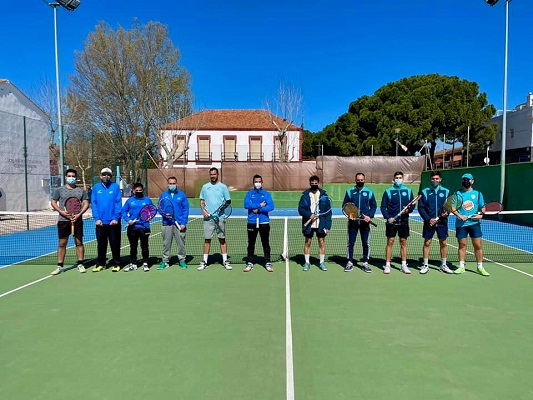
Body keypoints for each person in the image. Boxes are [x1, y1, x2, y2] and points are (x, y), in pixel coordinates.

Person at [50, 168, 90, 275]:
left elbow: (86, 203)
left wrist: (79, 214)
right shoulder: (59, 190)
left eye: (73, 176)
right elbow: (53, 202)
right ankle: (60, 266)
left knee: (79, 242)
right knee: (62, 243)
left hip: (77, 220)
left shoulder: (81, 191)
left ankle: (80, 264)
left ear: (76, 178)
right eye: (69, 176)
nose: (71, 178)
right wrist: (61, 211)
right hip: (63, 221)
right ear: (66, 177)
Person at [451, 173, 489, 277]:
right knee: (462, 245)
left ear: (472, 181)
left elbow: (483, 208)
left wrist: (481, 215)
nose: (466, 181)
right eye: (464, 180)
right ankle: (461, 266)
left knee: (478, 245)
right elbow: (453, 208)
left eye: (468, 180)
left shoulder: (478, 194)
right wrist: (460, 215)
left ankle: (480, 267)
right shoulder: (457, 194)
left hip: (474, 224)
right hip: (461, 224)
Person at [418, 171, 453, 274]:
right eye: (433, 179)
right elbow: (421, 208)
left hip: (442, 222)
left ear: (440, 179)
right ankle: (425, 265)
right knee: (427, 243)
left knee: (443, 243)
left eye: (437, 179)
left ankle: (443, 265)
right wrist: (429, 219)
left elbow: (449, 206)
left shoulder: (446, 192)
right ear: (430, 179)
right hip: (429, 222)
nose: (435, 180)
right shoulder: (425, 192)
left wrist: (447, 213)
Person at [380, 171, 415, 274]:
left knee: (403, 242)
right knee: (390, 242)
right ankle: (387, 265)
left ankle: (404, 265)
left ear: (403, 179)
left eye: (400, 177)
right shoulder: (388, 191)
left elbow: (412, 205)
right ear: (393, 179)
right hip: (392, 222)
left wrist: (408, 210)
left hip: (404, 221)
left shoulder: (408, 191)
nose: (398, 179)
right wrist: (388, 217)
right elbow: (383, 206)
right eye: (396, 178)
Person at [197, 167, 232, 271]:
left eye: (214, 174)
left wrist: (221, 209)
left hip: (220, 218)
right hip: (208, 219)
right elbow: (202, 201)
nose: (213, 176)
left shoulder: (223, 187)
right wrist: (204, 211)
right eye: (211, 174)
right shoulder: (205, 187)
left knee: (222, 239)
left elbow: (228, 201)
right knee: (207, 240)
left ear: (218, 175)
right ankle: (204, 262)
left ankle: (225, 261)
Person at [342, 172, 377, 273]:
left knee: (366, 243)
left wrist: (369, 216)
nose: (360, 181)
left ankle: (365, 263)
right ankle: (350, 262)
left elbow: (373, 206)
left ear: (364, 180)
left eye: (362, 180)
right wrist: (350, 214)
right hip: (352, 222)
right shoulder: (349, 192)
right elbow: (345, 206)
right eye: (358, 180)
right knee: (351, 243)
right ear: (355, 180)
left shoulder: (369, 192)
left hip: (365, 223)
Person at [298, 175, 332, 271]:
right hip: (309, 224)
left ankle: (321, 263)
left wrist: (328, 226)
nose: (314, 185)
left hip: (321, 223)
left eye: (315, 183)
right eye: (312, 183)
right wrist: (309, 215)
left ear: (318, 183)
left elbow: (329, 212)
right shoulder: (304, 196)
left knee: (321, 242)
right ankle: (307, 263)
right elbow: (300, 209)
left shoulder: (324, 196)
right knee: (307, 242)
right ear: (310, 183)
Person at [91, 167, 123, 272]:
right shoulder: (96, 188)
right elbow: (94, 204)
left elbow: (118, 203)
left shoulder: (115, 187)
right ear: (100, 176)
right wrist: (97, 218)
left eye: (108, 175)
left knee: (115, 243)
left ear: (111, 176)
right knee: (101, 244)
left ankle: (116, 264)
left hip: (113, 223)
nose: (106, 176)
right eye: (104, 174)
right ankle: (101, 264)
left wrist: (115, 218)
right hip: (100, 223)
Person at [243, 174, 275, 272]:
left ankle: (267, 262)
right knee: (251, 243)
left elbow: (271, 206)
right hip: (252, 222)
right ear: (253, 183)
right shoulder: (249, 193)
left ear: (262, 182)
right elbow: (246, 204)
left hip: (264, 222)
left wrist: (259, 210)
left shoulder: (266, 194)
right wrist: (259, 205)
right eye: (256, 181)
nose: (258, 183)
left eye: (259, 181)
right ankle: (250, 262)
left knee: (265, 242)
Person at [157, 177, 190, 270]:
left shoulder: (182, 195)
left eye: (173, 183)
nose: (172, 185)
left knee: (181, 244)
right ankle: (165, 261)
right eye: (170, 183)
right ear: (168, 184)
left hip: (179, 224)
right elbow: (159, 208)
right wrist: (164, 214)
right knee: (166, 243)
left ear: (176, 184)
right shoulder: (163, 195)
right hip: (167, 223)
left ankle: (182, 260)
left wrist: (183, 223)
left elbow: (185, 209)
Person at [121, 183, 154, 272]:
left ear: (143, 190)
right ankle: (133, 264)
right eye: (137, 190)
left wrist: (150, 216)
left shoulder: (147, 200)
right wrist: (128, 220)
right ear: (134, 190)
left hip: (144, 227)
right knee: (133, 247)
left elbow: (152, 210)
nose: (138, 192)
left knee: (144, 246)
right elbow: (123, 211)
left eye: (140, 190)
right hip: (132, 227)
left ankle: (145, 263)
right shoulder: (130, 200)